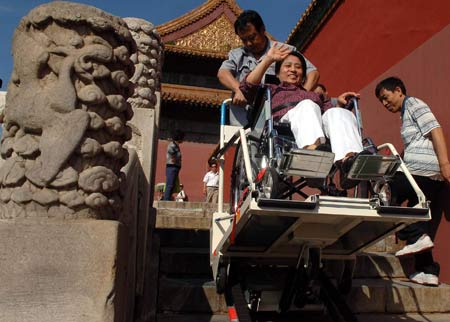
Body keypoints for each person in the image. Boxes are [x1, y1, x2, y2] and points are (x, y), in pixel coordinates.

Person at [239, 43, 364, 189]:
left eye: (298, 67)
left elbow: (329, 117)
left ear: (303, 75)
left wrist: (340, 106)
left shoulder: (315, 95)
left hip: (316, 127)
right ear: (278, 74)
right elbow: (246, 87)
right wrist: (268, 59)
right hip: (284, 125)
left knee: (339, 113)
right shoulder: (271, 89)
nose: (293, 70)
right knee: (307, 105)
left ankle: (347, 163)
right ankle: (313, 159)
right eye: (288, 66)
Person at [375, 76, 450, 286]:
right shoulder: (405, 113)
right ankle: (428, 271)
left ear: (398, 90)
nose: (385, 103)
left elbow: (435, 129)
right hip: (421, 173)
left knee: (385, 194)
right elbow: (415, 142)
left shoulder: (414, 104)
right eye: (381, 101)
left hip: (424, 173)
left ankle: (415, 235)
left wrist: (445, 164)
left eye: (386, 97)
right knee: (416, 218)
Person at [217, 10, 319, 126]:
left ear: (262, 29)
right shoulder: (237, 54)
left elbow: (313, 73)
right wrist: (238, 90)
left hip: (278, 117)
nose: (249, 43)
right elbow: (223, 73)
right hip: (243, 120)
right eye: (244, 40)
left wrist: (300, 95)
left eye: (252, 37)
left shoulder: (284, 50)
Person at [163, 130, 184, 201]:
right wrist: (174, 159)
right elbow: (172, 154)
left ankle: (168, 198)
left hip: (176, 167)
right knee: (170, 184)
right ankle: (166, 199)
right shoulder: (172, 145)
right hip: (172, 166)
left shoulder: (176, 146)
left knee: (173, 185)